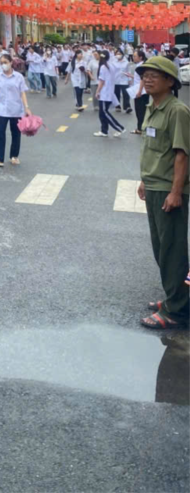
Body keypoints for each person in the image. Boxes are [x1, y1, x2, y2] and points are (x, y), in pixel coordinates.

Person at [134, 57, 190, 330]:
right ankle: (175, 297)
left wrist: (176, 192)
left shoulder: (176, 111)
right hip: (154, 186)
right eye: (145, 74)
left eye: (154, 75)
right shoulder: (152, 107)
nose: (147, 79)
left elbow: (182, 154)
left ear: (170, 81)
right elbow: (153, 149)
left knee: (172, 251)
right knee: (161, 249)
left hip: (169, 190)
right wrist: (145, 180)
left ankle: (177, 311)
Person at [0, 53, 31, 167]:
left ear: (11, 63)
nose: (3, 65)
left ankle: (14, 156)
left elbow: (22, 93)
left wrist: (26, 107)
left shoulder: (19, 77)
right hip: (2, 109)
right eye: (1, 63)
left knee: (16, 133)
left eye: (5, 62)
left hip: (16, 109)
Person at [93, 51, 124, 138]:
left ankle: (119, 128)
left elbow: (102, 81)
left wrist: (97, 91)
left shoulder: (103, 67)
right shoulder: (111, 66)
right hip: (109, 91)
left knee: (104, 112)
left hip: (104, 93)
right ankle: (104, 131)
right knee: (102, 113)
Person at [132, 50, 149, 135]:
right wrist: (131, 76)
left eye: (135, 56)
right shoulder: (139, 65)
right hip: (141, 90)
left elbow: (142, 80)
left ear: (141, 57)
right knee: (140, 110)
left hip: (141, 92)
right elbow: (139, 78)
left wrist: (139, 91)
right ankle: (141, 127)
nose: (133, 58)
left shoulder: (142, 66)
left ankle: (141, 128)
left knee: (140, 110)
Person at [113, 49, 132, 113]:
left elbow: (129, 71)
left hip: (124, 80)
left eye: (119, 54)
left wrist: (129, 79)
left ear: (122, 55)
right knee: (116, 93)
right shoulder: (113, 62)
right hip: (116, 80)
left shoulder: (126, 62)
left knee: (126, 93)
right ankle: (117, 106)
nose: (118, 55)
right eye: (117, 54)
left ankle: (127, 107)